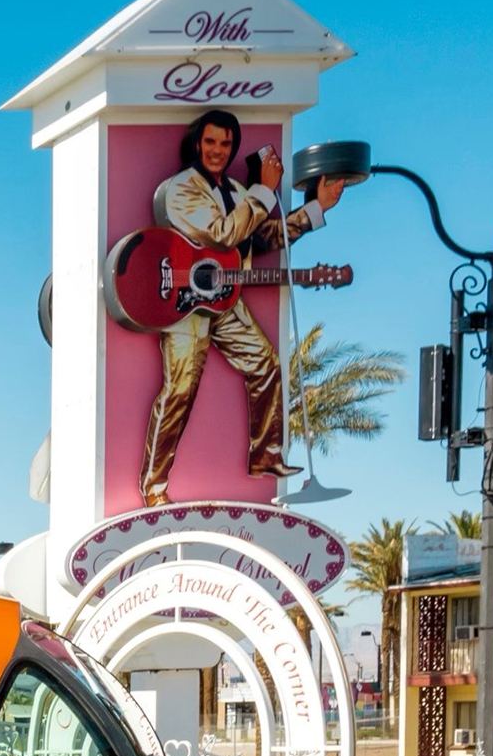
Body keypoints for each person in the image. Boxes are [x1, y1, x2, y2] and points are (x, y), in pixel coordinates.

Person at [141, 108, 348, 505]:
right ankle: (153, 486)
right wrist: (265, 191)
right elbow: (223, 235)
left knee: (267, 365)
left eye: (226, 143)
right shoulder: (182, 188)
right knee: (180, 389)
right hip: (184, 302)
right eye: (211, 142)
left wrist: (317, 208)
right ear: (197, 144)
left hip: (225, 297)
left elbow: (265, 237)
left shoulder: (237, 192)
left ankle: (266, 457)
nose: (219, 151)